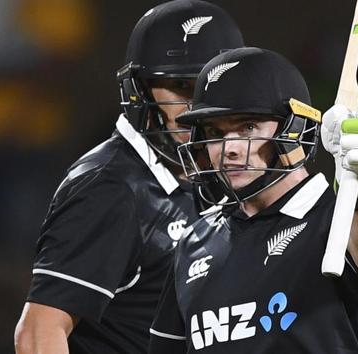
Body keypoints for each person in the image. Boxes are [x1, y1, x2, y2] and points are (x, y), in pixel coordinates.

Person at [14, 1, 244, 353]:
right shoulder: (110, 187)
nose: (196, 105)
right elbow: (37, 334)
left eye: (208, 86)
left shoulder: (214, 174)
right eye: (181, 85)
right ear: (140, 89)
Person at [148, 47, 358, 353]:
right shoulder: (193, 243)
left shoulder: (338, 216)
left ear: (294, 128)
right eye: (215, 132)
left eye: (248, 127)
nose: (228, 148)